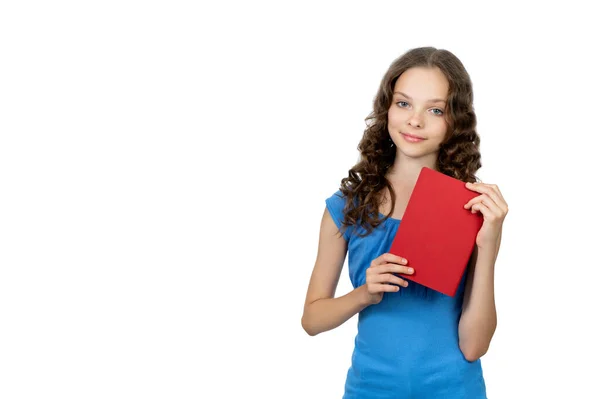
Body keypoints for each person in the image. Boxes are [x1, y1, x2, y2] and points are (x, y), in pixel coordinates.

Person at [301, 47, 509, 398]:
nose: (415, 121)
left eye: (435, 109)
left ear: (455, 120)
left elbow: (474, 347)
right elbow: (312, 320)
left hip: (454, 390)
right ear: (386, 108)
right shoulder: (347, 206)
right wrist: (364, 294)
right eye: (403, 103)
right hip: (370, 390)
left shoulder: (472, 208)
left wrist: (489, 243)